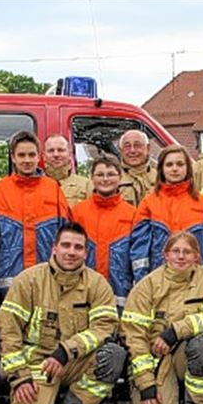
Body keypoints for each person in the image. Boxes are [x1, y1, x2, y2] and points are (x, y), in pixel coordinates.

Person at [0, 222, 126, 404]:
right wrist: (19, 377)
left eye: (78, 247)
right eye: (66, 245)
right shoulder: (28, 280)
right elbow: (7, 332)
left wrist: (66, 351)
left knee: (113, 355)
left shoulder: (97, 284)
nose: (71, 252)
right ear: (54, 248)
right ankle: (46, 403)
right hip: (37, 365)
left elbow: (104, 327)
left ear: (86, 253)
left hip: (75, 361)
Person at [121, 232, 203, 404]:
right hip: (156, 360)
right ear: (166, 255)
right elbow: (134, 339)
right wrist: (146, 385)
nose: (181, 256)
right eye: (176, 251)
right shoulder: (147, 286)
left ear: (196, 256)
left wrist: (175, 331)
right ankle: (172, 397)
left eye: (187, 252)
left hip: (188, 353)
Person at [0, 131, 71, 299]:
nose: (27, 160)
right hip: (8, 285)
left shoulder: (53, 189)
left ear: (39, 157)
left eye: (31, 155)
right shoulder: (0, 190)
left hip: (48, 282)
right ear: (13, 158)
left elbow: (66, 238)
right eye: (21, 155)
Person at [130, 145, 203, 282]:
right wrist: (143, 281)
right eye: (169, 164)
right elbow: (140, 250)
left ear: (188, 168)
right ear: (161, 169)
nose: (174, 169)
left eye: (180, 164)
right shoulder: (148, 204)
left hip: (195, 281)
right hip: (159, 281)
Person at [73, 156, 136, 309]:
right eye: (100, 175)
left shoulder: (133, 214)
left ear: (120, 178)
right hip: (83, 290)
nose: (105, 179)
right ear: (91, 178)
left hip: (121, 293)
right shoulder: (77, 212)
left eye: (110, 174)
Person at [44, 133, 93, 206]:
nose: (56, 154)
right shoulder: (35, 186)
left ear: (69, 154)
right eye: (51, 151)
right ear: (44, 156)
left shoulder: (86, 185)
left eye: (61, 150)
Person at [118, 130, 157, 206]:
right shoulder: (111, 179)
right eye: (127, 146)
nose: (132, 150)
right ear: (121, 150)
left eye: (137, 145)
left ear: (148, 148)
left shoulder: (161, 177)